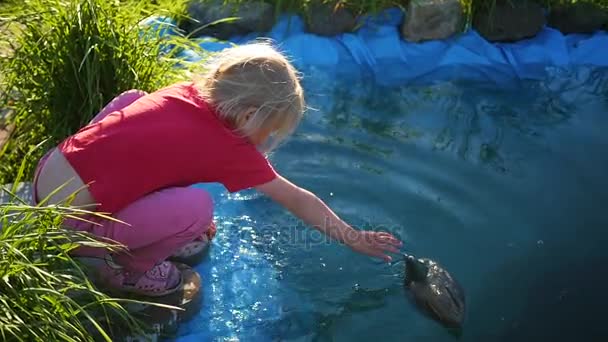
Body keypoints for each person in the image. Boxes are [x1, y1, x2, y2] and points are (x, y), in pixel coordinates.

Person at [32, 42, 403, 297]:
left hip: (48, 174)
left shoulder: (185, 92)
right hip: (71, 225)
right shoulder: (230, 146)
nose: (263, 144)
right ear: (247, 116)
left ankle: (106, 234)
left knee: (134, 101)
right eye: (268, 133)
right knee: (197, 210)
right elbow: (295, 198)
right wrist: (352, 237)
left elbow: (155, 159)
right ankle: (123, 269)